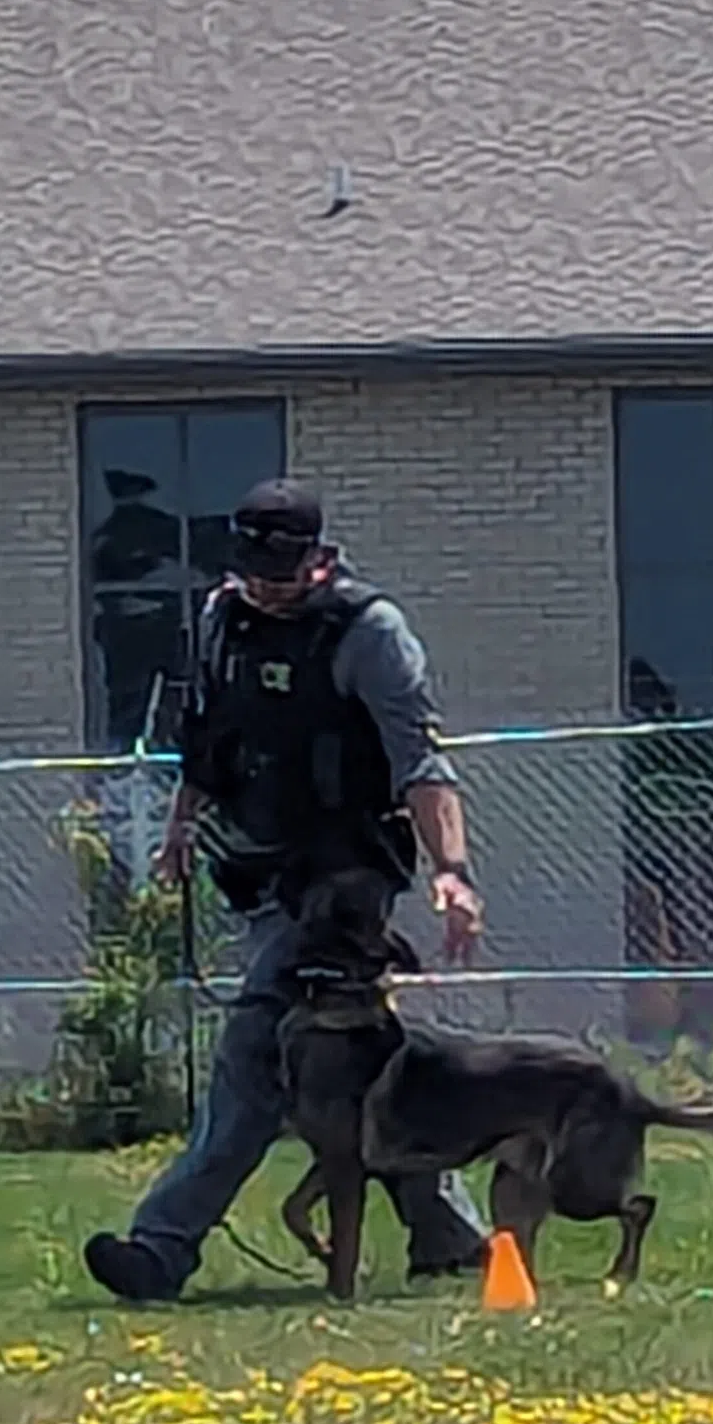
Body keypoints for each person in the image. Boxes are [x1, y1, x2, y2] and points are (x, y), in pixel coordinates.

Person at [83, 479, 491, 1302]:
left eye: (281, 568)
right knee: (354, 1068)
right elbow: (207, 735)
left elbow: (420, 760)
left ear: (318, 559)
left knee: (251, 1057)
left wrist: (451, 870)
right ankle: (451, 1239)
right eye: (251, 567)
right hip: (256, 872)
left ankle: (160, 1250)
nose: (263, 584)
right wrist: (179, 828)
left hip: (343, 891)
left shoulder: (369, 634)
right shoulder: (221, 619)